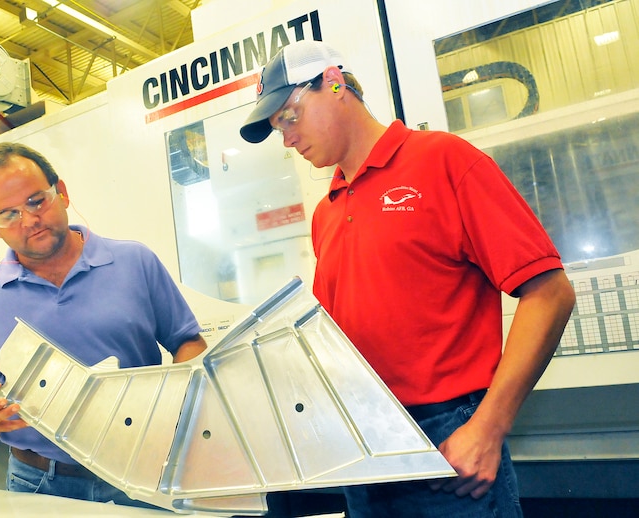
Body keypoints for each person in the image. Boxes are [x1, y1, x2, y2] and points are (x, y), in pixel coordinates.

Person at [240, 41, 576, 518]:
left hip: (448, 448)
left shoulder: (443, 162)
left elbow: (550, 293)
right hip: (364, 454)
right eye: (277, 128)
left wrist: (488, 428)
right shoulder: (327, 213)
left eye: (289, 116)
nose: (287, 138)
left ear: (335, 83)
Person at [0, 142, 207, 506]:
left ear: (62, 193)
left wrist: (178, 409)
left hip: (144, 471)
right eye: (8, 214)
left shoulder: (134, 262)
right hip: (38, 482)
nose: (30, 220)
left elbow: (188, 343)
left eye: (37, 201)